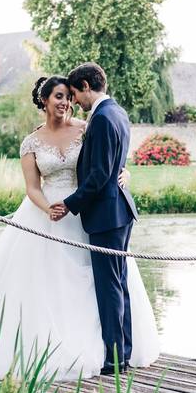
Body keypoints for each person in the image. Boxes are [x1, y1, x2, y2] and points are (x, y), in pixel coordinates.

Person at [0, 74, 159, 381]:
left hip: (85, 213)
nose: (66, 103)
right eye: (59, 97)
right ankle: (58, 347)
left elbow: (106, 158)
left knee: (100, 282)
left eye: (68, 96)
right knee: (50, 283)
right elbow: (32, 187)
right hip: (48, 215)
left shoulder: (86, 128)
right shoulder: (31, 142)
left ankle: (112, 351)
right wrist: (46, 207)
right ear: (45, 100)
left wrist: (124, 173)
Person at [50, 63, 146, 374]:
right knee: (118, 284)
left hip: (106, 213)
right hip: (117, 210)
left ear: (87, 86)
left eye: (75, 93)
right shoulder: (117, 112)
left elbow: (101, 173)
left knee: (109, 287)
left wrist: (70, 203)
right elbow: (113, 162)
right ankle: (124, 353)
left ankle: (115, 360)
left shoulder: (103, 118)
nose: (75, 100)